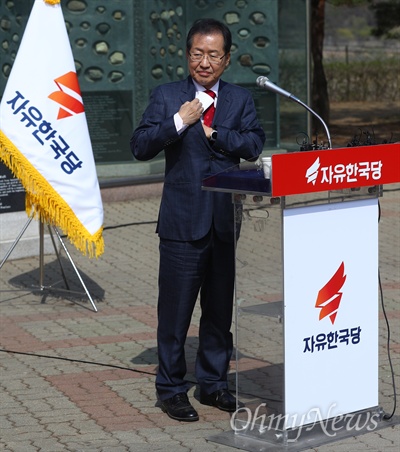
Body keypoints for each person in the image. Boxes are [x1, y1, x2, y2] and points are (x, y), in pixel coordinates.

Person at [130, 18, 265, 422]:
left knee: (219, 310)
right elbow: (139, 146)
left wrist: (216, 135)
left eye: (213, 55)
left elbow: (254, 143)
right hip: (181, 222)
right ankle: (171, 389)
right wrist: (180, 120)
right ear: (188, 55)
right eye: (197, 54)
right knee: (175, 312)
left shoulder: (239, 100)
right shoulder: (168, 95)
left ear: (226, 60)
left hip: (224, 221)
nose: (204, 62)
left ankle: (213, 384)